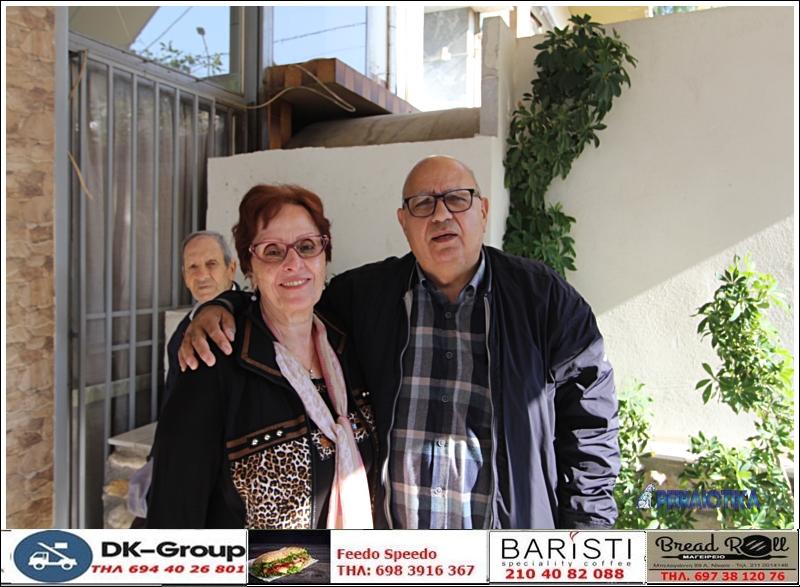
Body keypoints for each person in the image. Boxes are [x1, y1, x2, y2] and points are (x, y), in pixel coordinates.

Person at [180, 156, 619, 529]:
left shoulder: (543, 299)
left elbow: (590, 422)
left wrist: (587, 533)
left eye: (458, 199)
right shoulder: (365, 296)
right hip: (396, 561)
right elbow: (289, 299)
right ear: (403, 222)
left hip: (503, 555)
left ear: (483, 211)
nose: (441, 215)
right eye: (422, 204)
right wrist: (219, 306)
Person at [146, 184, 378, 529]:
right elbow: (173, 511)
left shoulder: (349, 344)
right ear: (249, 269)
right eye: (272, 251)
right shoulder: (214, 360)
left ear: (324, 257)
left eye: (307, 246)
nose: (294, 263)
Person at [164, 231, 239, 407]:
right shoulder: (181, 333)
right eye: (192, 267)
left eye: (211, 264)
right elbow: (172, 401)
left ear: (231, 269)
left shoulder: (257, 317)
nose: (201, 275)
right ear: (185, 276)